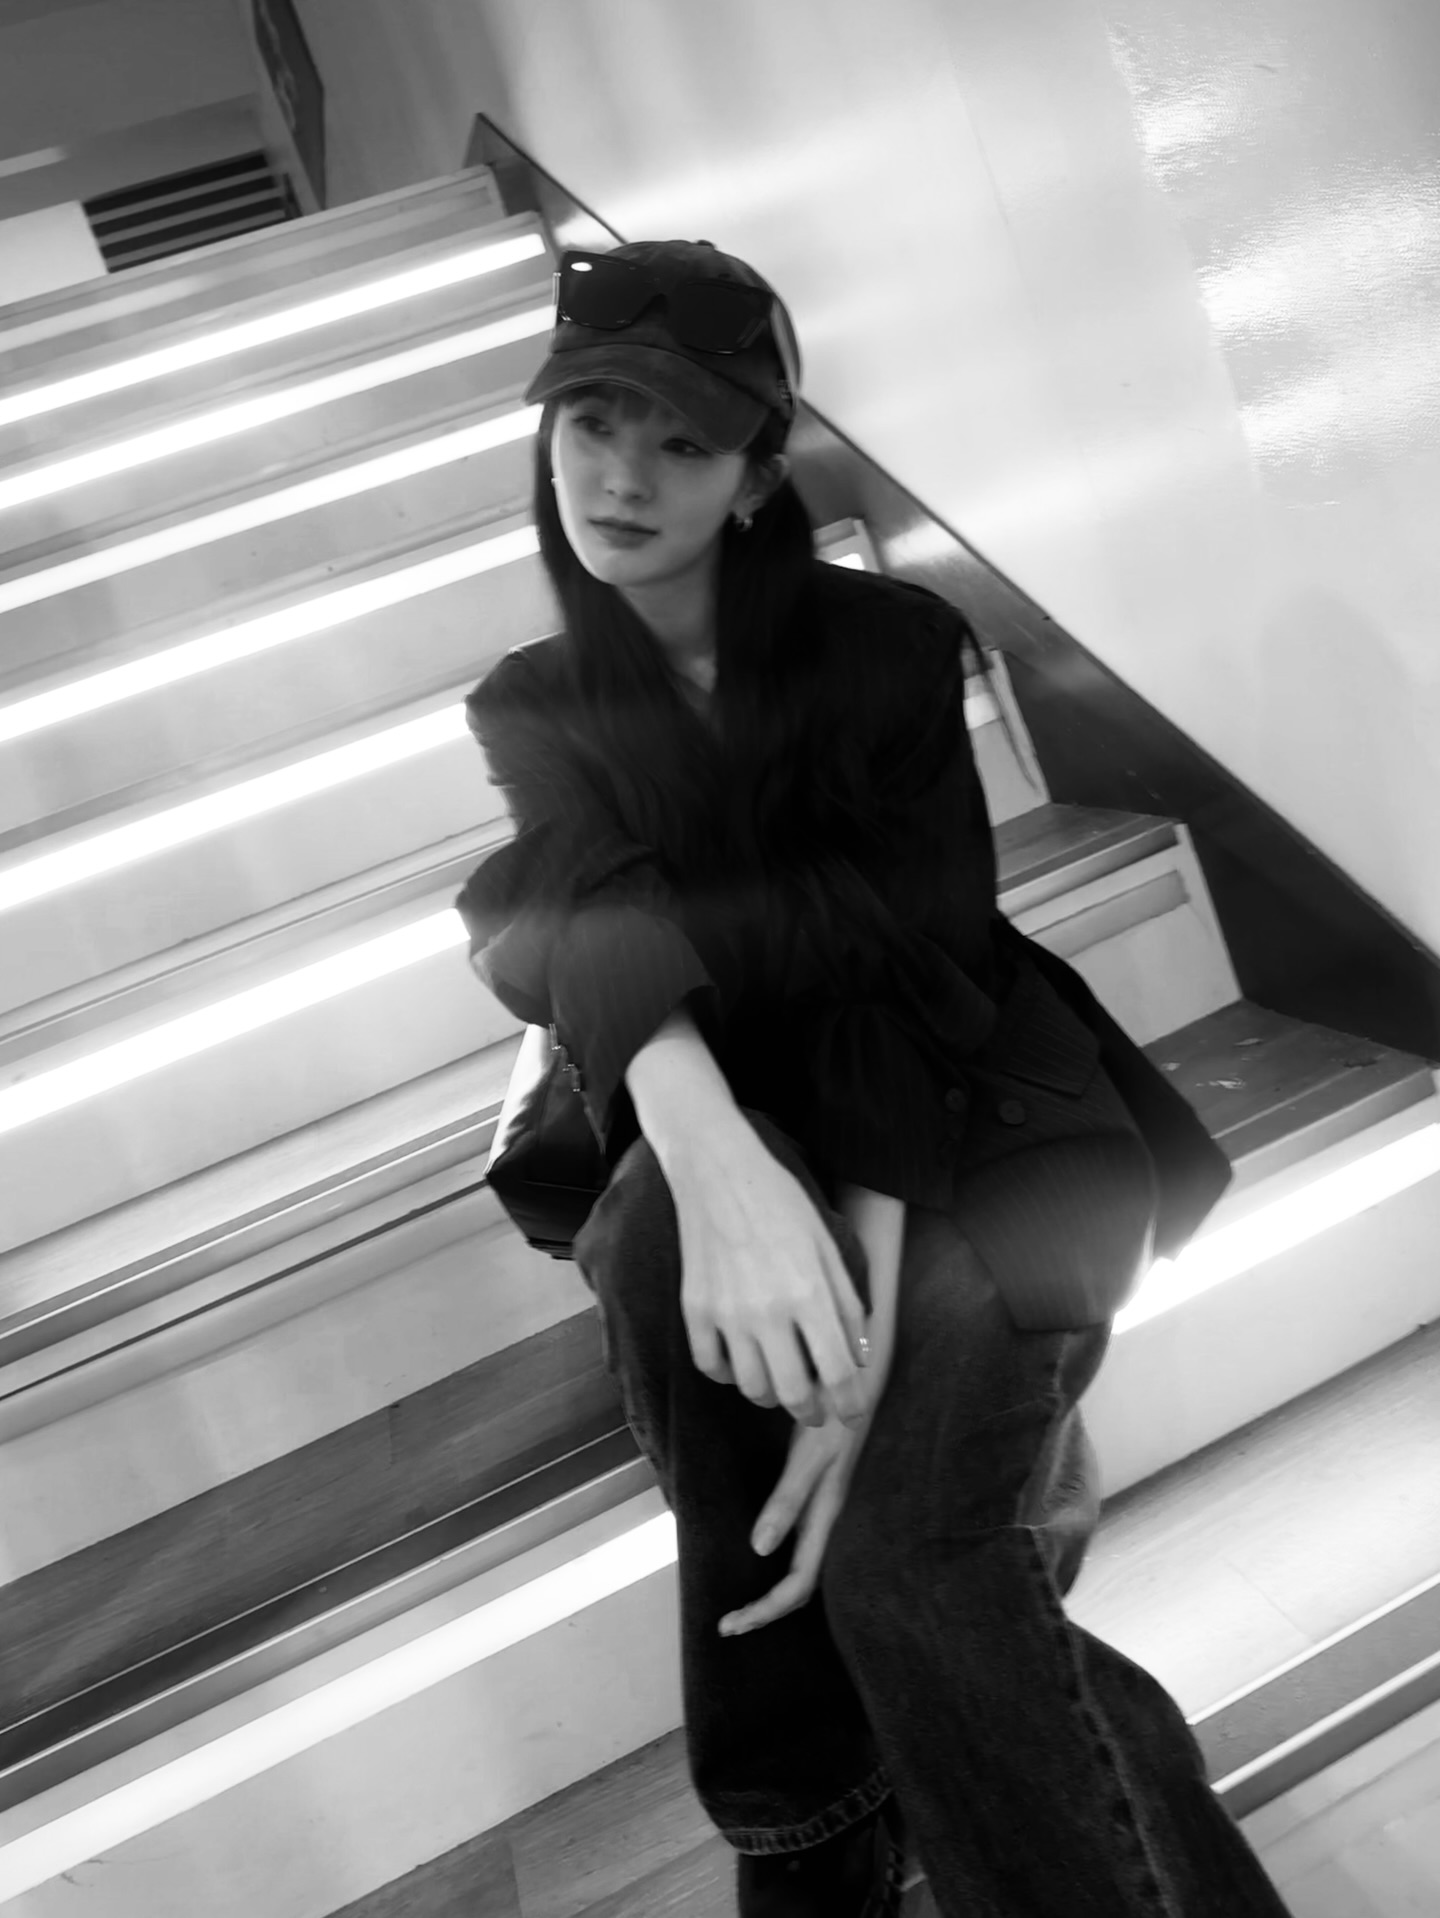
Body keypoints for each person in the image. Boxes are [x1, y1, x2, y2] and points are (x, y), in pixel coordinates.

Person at [456, 238, 1291, 1918]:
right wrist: (707, 1148)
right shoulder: (536, 705)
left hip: (985, 1133)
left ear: (761, 477)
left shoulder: (890, 644)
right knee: (684, 1254)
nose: (621, 476)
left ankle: (810, 1844)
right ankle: (835, 1832)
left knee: (901, 1552)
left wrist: (852, 1368)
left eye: (683, 440)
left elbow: (892, 987)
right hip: (773, 1156)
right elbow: (583, 910)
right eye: (591, 421)